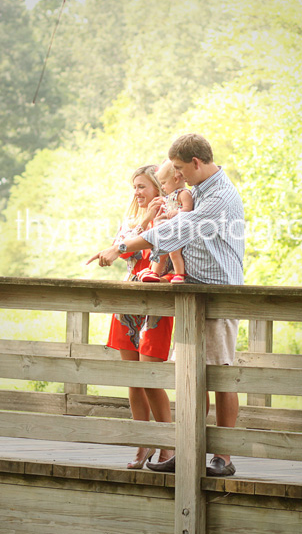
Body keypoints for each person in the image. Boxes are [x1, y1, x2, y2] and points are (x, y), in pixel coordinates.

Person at [87, 133, 245, 477]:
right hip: (192, 295)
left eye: (178, 168)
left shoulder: (218, 195)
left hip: (219, 293)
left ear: (196, 163)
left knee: (221, 374)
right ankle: (189, 450)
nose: (176, 176)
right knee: (192, 377)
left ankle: (224, 457)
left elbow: (179, 231)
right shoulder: (200, 189)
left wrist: (123, 247)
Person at [103, 164, 174, 469]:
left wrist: (152, 221)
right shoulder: (132, 220)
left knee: (150, 378)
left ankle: (168, 444)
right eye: (134, 187)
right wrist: (143, 221)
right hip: (128, 304)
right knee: (133, 379)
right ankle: (142, 442)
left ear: (158, 187)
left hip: (156, 305)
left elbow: (167, 251)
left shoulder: (172, 215)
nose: (137, 192)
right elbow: (122, 252)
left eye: (142, 186)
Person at [137, 159, 194, 284]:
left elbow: (188, 211)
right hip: (167, 230)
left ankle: (179, 274)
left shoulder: (184, 193)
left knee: (174, 253)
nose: (162, 187)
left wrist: (178, 213)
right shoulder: (169, 197)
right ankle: (154, 272)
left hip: (177, 231)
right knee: (161, 253)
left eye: (163, 183)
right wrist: (159, 217)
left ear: (175, 179)